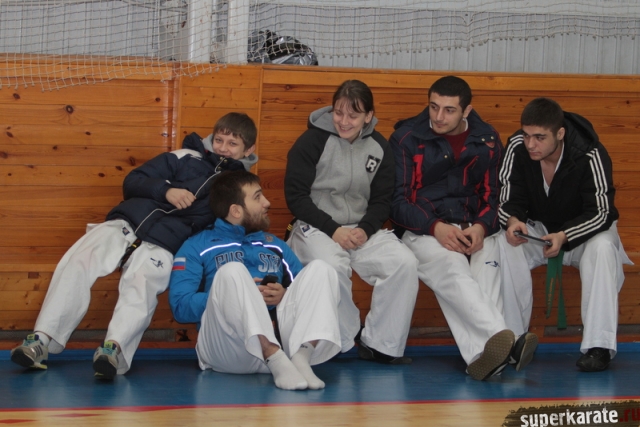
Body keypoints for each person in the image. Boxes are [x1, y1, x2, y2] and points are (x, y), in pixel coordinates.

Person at [10, 112, 258, 379]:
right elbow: (133, 181)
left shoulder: (239, 187)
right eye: (219, 140)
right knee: (78, 260)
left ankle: (114, 350)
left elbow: (231, 226)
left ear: (249, 149)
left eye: (232, 144)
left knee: (141, 283)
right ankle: (41, 340)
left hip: (166, 244)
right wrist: (166, 191)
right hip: (126, 223)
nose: (223, 148)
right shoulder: (184, 156)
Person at [389, 75, 538, 380]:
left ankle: (482, 359)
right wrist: (436, 227)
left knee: (489, 269)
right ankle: (506, 339)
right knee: (453, 267)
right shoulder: (406, 139)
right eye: (433, 107)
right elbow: (398, 203)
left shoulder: (488, 140)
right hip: (424, 230)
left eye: (449, 110)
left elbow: (493, 197)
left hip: (474, 228)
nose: (438, 117)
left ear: (466, 111)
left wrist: (482, 227)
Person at [284, 79, 419, 364]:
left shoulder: (379, 147)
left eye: (353, 115)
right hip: (316, 226)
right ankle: (345, 338)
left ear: (368, 116)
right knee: (332, 266)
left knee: (404, 262)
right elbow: (296, 197)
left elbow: (383, 199)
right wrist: (334, 230)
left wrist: (365, 229)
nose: (344, 121)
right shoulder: (311, 142)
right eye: (338, 113)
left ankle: (381, 345)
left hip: (361, 228)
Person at [169, 170, 341, 390]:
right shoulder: (196, 246)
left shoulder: (276, 245)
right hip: (227, 349)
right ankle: (271, 353)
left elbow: (306, 293)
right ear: (236, 210)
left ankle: (302, 357)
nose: (267, 203)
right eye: (258, 197)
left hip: (285, 346)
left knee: (322, 269)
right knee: (233, 271)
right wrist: (238, 296)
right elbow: (180, 307)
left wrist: (284, 295)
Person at [497, 97, 632, 372]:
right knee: (504, 242)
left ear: (560, 133)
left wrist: (565, 235)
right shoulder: (516, 147)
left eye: (539, 137)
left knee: (604, 248)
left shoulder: (590, 153)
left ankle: (598, 346)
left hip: (585, 232)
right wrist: (512, 221)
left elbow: (602, 212)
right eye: (527, 135)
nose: (530, 144)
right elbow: (506, 198)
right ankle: (514, 340)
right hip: (538, 229)